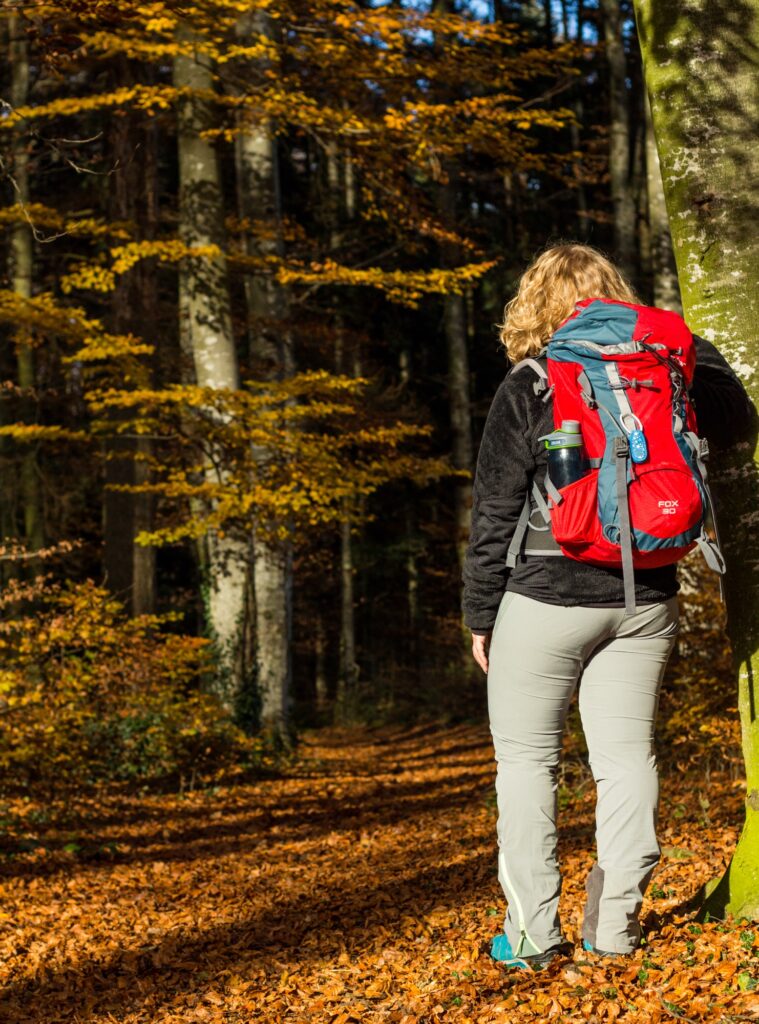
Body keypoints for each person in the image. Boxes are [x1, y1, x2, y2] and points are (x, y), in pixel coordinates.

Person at [462, 243, 755, 971]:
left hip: (543, 598)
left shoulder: (529, 383)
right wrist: (682, 350)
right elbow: (736, 420)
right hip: (644, 596)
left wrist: (478, 615)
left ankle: (531, 935)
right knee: (626, 761)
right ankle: (615, 927)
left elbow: (494, 513)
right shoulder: (668, 372)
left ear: (533, 305)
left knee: (527, 764)